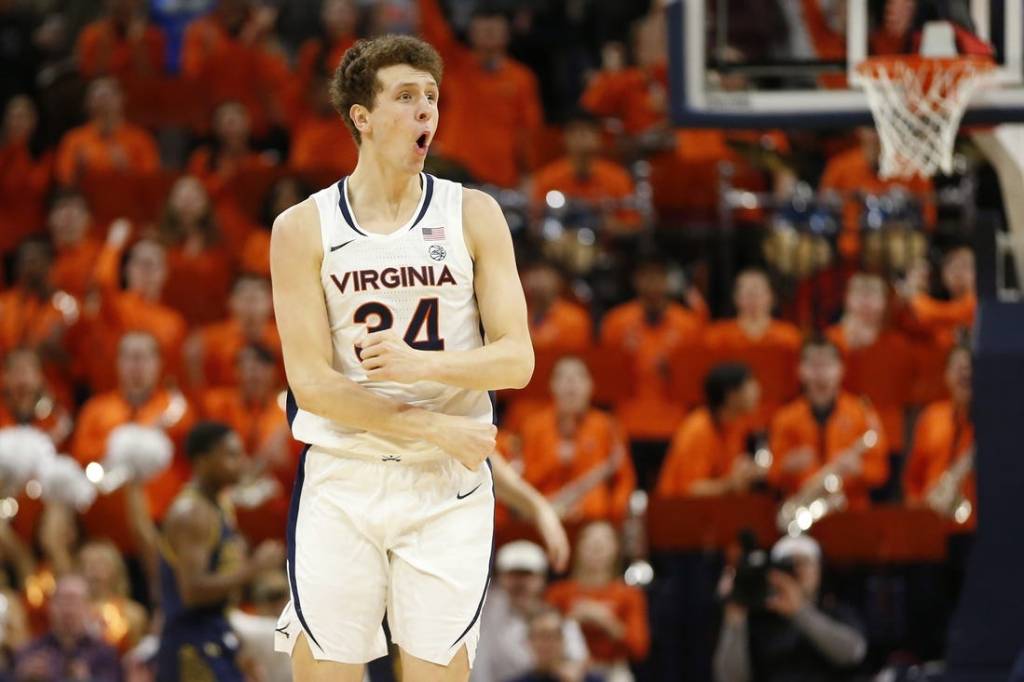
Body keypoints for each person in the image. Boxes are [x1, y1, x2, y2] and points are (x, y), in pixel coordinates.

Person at [269, 35, 533, 682]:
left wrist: (423, 365)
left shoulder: (473, 213)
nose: (426, 113)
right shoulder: (302, 228)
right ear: (361, 117)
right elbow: (312, 385)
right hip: (346, 473)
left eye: (432, 98)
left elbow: (516, 360)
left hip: (445, 486)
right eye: (406, 97)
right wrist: (433, 424)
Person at [156, 421, 285, 682]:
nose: (241, 461)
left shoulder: (219, 503)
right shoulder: (192, 513)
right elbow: (192, 591)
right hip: (191, 646)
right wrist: (254, 569)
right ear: (203, 461)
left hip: (215, 632)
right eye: (231, 455)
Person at [71, 331, 197, 552]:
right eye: (129, 357)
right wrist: (128, 440)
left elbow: (193, 458)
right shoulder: (97, 409)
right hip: (107, 515)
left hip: (164, 516)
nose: (136, 366)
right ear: (118, 363)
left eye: (144, 357)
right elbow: (81, 454)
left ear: (158, 363)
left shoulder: (177, 409)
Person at [417, 0, 543, 187]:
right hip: (451, 172)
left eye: (494, 29)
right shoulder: (453, 67)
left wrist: (529, 172)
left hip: (500, 178)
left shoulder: (521, 78)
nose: (489, 33)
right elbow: (433, 28)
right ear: (471, 34)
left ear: (507, 34)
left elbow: (529, 132)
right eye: (483, 29)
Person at [714, 535, 867, 681]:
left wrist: (799, 611)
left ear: (819, 571)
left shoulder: (834, 611)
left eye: (805, 562)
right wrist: (735, 619)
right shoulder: (760, 619)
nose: (797, 570)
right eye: (788, 565)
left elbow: (853, 653)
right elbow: (730, 678)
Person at [768, 337, 888, 511]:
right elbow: (772, 474)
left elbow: (880, 471)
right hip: (801, 507)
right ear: (800, 370)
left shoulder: (862, 413)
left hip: (851, 510)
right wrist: (787, 466)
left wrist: (859, 469)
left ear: (841, 369)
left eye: (827, 364)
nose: (820, 372)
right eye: (813, 365)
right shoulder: (785, 417)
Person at [517, 357, 636, 523]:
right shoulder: (533, 427)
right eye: (563, 377)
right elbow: (523, 483)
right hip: (543, 520)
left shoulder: (608, 427)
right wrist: (554, 460)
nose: (571, 384)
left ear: (591, 386)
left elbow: (625, 480)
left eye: (579, 377)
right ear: (551, 386)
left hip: (595, 522)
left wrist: (613, 517)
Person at [546, 522, 649, 681]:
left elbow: (639, 648)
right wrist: (571, 620)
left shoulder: (629, 594)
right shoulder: (558, 592)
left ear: (616, 549)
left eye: (604, 542)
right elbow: (541, 635)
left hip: (612, 669)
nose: (596, 547)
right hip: (566, 669)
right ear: (577, 547)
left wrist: (606, 622)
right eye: (589, 542)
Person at [473, 541, 589, 682]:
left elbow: (578, 662)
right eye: (512, 575)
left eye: (527, 575)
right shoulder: (486, 617)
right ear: (500, 579)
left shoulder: (560, 619)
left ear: (542, 579)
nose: (520, 583)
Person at [702, 270, 802, 429]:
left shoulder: (790, 337)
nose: (753, 299)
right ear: (736, 298)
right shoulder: (718, 336)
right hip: (733, 422)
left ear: (771, 297)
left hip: (779, 421)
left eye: (759, 292)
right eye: (747, 293)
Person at [656, 363, 763, 498]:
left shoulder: (736, 425)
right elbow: (691, 490)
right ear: (731, 395)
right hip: (678, 512)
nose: (758, 390)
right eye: (750, 384)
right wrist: (730, 483)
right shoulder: (697, 430)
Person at [904, 345, 975, 528]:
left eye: (970, 367)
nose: (964, 372)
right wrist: (918, 515)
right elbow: (913, 479)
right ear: (946, 375)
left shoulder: (997, 422)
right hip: (932, 524)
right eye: (958, 367)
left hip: (980, 527)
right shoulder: (931, 417)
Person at [12, 574, 122, 682]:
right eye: (62, 600)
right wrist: (23, 677)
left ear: (88, 607)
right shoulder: (31, 650)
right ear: (51, 607)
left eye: (74, 601)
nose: (68, 609)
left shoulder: (104, 654)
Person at [53, 77, 159, 186]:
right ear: (87, 103)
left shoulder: (141, 138)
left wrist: (127, 170)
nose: (103, 102)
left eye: (108, 95)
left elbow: (150, 184)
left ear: (122, 98)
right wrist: (79, 172)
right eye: (98, 97)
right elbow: (64, 182)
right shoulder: (74, 139)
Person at [77, 539, 148, 652]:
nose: (92, 570)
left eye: (99, 563)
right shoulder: (72, 612)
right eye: (86, 564)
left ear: (116, 569)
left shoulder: (133, 614)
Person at [509, 607, 603, 682]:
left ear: (564, 640)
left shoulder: (592, 679)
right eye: (540, 636)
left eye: (552, 636)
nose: (546, 644)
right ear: (528, 641)